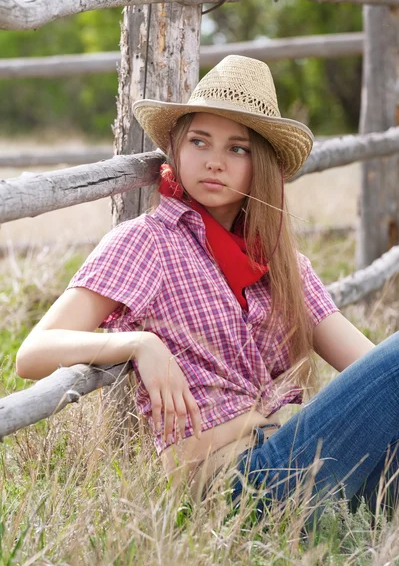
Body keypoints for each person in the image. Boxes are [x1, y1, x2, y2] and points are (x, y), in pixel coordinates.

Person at [16, 55, 398, 518]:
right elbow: (33, 353)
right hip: (237, 484)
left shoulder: (281, 262)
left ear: (261, 165)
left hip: (301, 457)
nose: (215, 162)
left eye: (237, 149)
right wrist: (139, 342)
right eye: (200, 141)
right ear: (177, 149)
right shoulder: (148, 242)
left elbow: (368, 367)